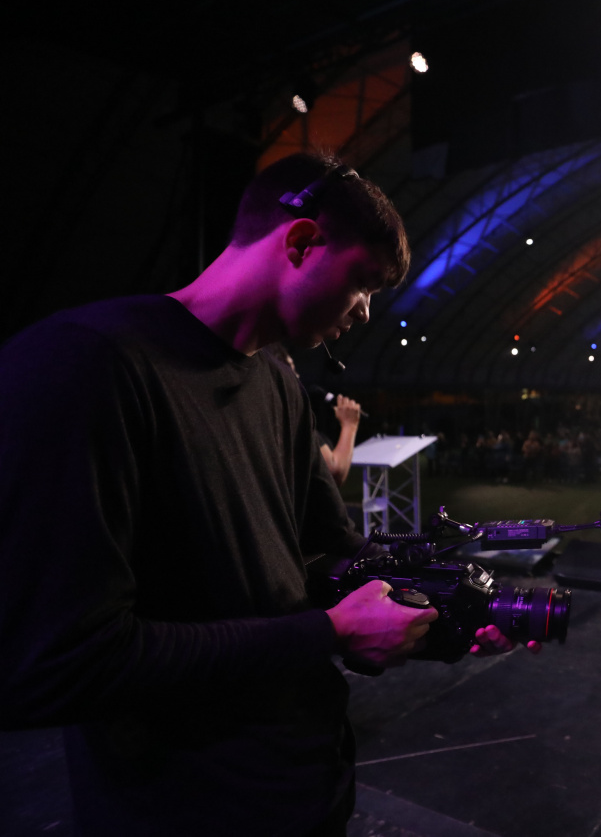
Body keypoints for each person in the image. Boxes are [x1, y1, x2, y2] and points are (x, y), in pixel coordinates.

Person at [0, 152, 533, 836]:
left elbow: (328, 555)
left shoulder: (278, 380)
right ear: (302, 242)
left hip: (303, 783)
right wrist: (328, 632)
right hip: (184, 809)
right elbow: (59, 662)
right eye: (363, 283)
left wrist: (447, 609)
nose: (365, 312)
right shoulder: (84, 366)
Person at [262, 343, 364, 486]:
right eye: (291, 369)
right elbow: (334, 471)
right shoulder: (290, 422)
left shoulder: (264, 417)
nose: (297, 376)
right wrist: (349, 425)